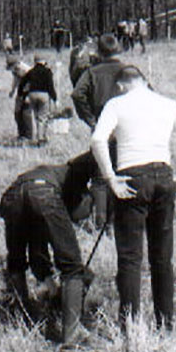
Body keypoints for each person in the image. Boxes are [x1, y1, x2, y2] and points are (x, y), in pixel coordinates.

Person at [91, 65, 176, 331]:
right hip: (164, 176)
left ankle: (130, 326)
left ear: (121, 85)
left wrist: (110, 178)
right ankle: (165, 324)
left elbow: (98, 140)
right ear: (145, 81)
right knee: (162, 258)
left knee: (131, 258)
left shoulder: (116, 104)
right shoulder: (167, 104)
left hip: (132, 178)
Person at [0, 152, 97, 344]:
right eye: (80, 218)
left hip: (12, 195)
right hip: (43, 193)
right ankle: (72, 336)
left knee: (16, 261)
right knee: (72, 267)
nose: (77, 222)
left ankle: (22, 317)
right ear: (82, 198)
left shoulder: (58, 174)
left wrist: (52, 288)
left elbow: (38, 251)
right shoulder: (71, 185)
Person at [71, 33, 124, 227]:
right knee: (124, 172)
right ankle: (119, 221)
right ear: (118, 49)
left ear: (99, 52)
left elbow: (77, 94)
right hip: (126, 131)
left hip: (101, 129)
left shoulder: (92, 72)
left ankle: (102, 223)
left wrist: (90, 119)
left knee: (101, 176)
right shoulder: (129, 71)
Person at [18, 52, 57, 144]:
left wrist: (21, 95)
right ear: (44, 61)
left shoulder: (30, 71)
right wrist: (55, 98)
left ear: (35, 61)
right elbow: (50, 86)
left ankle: (33, 136)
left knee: (35, 116)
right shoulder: (48, 71)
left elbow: (22, 83)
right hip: (44, 95)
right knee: (42, 117)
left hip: (32, 95)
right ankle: (41, 138)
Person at [6, 54, 32, 140]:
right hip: (20, 92)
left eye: (12, 67)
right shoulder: (15, 70)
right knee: (17, 113)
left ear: (16, 64)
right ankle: (21, 134)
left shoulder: (26, 69)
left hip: (28, 92)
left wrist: (28, 96)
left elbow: (32, 82)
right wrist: (12, 91)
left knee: (26, 114)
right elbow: (16, 80)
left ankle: (28, 136)